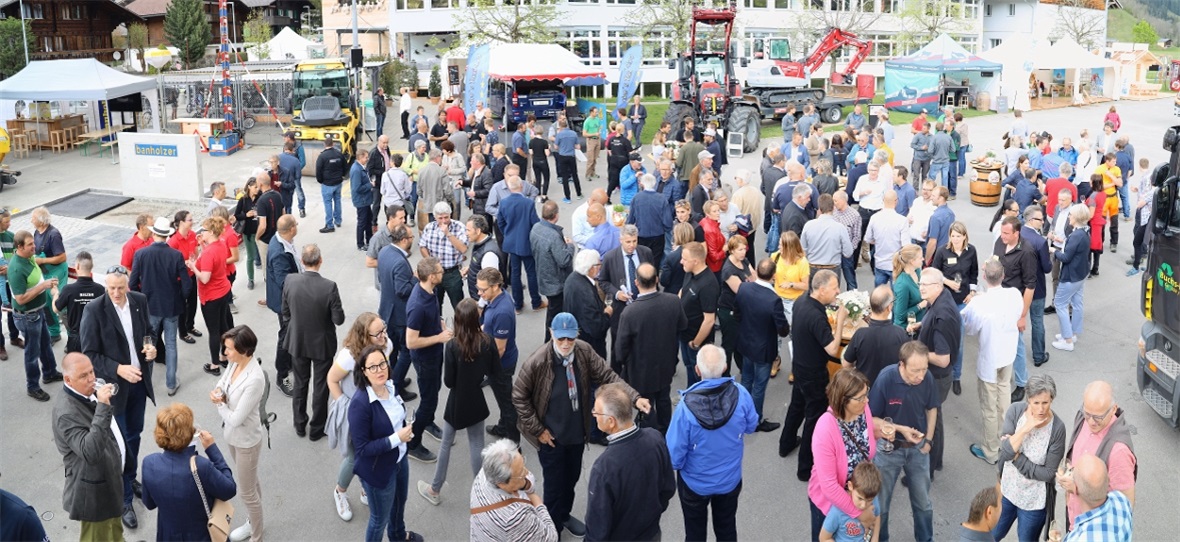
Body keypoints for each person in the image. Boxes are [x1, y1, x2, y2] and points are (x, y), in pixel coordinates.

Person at [512, 312, 649, 538]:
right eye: (560, 339)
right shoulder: (537, 361)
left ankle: (563, 515)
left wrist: (634, 398)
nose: (566, 344)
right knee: (554, 487)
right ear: (551, 334)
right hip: (551, 439)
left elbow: (608, 376)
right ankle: (551, 528)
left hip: (576, 434)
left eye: (570, 338)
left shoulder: (583, 351)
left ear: (576, 336)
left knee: (572, 479)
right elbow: (518, 396)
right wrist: (539, 430)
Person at [79, 265, 158, 529]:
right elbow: (89, 354)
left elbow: (149, 332)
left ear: (127, 285)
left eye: (120, 288)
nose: (115, 293)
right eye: (111, 288)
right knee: (119, 445)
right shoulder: (94, 310)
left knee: (134, 435)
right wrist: (117, 369)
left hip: (139, 384)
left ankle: (130, 475)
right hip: (115, 390)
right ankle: (124, 500)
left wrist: (151, 348)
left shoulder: (139, 301)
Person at [666, 344, 759, 540]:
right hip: (729, 480)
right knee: (726, 529)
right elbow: (751, 426)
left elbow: (674, 457)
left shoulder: (685, 408)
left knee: (694, 534)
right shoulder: (741, 394)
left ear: (697, 370)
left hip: (694, 484)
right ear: (725, 367)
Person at [418, 298, 500, 506]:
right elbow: (494, 371)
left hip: (456, 401)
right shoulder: (487, 341)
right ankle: (483, 493)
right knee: (477, 444)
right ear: (476, 317)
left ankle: (435, 489)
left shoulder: (453, 346)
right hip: (476, 399)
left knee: (446, 444)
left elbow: (448, 381)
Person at [349, 345, 424, 542]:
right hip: (378, 470)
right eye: (372, 367)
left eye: (382, 364)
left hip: (400, 459)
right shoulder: (360, 403)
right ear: (363, 371)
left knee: (400, 503)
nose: (379, 370)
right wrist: (397, 438)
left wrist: (404, 431)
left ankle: (398, 536)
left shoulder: (390, 386)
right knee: (378, 519)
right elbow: (363, 449)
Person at [586, 382, 676, 541]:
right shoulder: (655, 438)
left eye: (596, 412)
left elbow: (598, 525)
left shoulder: (604, 467)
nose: (593, 414)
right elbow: (668, 488)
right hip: (651, 533)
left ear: (611, 421)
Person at [780, 270, 848, 481]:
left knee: (796, 407)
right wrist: (841, 320)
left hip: (799, 366)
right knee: (814, 419)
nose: (838, 291)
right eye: (835, 287)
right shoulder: (817, 316)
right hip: (814, 374)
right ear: (821, 289)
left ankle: (786, 443)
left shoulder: (802, 302)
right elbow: (831, 348)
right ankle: (805, 468)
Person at [52, 353, 126, 540]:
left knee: (116, 532)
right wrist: (102, 405)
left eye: (91, 371)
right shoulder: (66, 413)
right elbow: (90, 452)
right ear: (68, 379)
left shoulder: (85, 391)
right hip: (94, 493)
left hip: (109, 481)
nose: (92, 378)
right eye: (83, 376)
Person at [870, 341, 938, 542]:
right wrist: (901, 429)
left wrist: (928, 441)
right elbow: (872, 418)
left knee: (923, 504)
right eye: (915, 371)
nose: (921, 376)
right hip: (888, 450)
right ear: (901, 364)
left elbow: (932, 408)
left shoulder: (927, 378)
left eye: (924, 369)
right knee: (881, 505)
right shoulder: (886, 378)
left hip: (917, 450)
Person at [327, 313, 392, 521]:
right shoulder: (349, 355)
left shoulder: (385, 345)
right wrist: (346, 406)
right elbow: (331, 379)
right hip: (356, 412)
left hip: (377, 409)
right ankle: (340, 491)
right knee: (355, 456)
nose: (384, 336)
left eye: (384, 329)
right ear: (364, 335)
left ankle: (364, 487)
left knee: (372, 452)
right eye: (378, 333)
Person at [990, 374, 1066, 541]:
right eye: (1036, 403)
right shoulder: (1016, 410)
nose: (1040, 409)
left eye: (1045, 403)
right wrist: (1026, 428)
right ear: (1028, 399)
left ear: (1051, 400)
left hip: (1033, 503)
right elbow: (1006, 452)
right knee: (993, 535)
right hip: (1008, 491)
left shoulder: (1057, 429)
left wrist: (1017, 458)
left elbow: (1047, 473)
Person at [281, 244, 346, 441]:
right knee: (321, 386)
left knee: (300, 383)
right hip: (322, 344)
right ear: (320, 261)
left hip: (298, 341)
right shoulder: (329, 286)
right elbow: (338, 319)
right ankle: (317, 428)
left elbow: (285, 312)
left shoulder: (290, 280)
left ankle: (299, 424)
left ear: (301, 260)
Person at [208, 325, 266, 541]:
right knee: (250, 483)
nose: (225, 353)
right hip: (233, 437)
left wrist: (218, 403)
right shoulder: (235, 363)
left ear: (244, 350)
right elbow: (222, 383)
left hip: (246, 441)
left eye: (229, 349)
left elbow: (236, 418)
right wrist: (219, 393)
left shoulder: (255, 379)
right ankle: (254, 521)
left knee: (247, 493)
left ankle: (256, 535)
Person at [961, 257, 1021, 465]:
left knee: (989, 406)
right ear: (1003, 276)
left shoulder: (979, 302)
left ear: (984, 277)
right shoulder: (1014, 295)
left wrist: (977, 300)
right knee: (1004, 396)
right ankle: (1006, 442)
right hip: (1007, 355)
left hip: (990, 359)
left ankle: (990, 450)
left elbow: (968, 329)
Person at [615, 262, 687, 434]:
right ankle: (665, 434)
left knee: (645, 406)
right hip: (666, 365)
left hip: (641, 371)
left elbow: (620, 350)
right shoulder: (673, 302)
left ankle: (649, 437)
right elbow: (683, 325)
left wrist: (625, 363)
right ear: (656, 279)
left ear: (636, 283)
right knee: (664, 400)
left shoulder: (630, 313)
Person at [808, 366, 879, 539]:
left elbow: (867, 441)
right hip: (830, 506)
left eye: (866, 394)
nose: (866, 401)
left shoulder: (863, 411)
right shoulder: (825, 428)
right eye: (861, 397)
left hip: (858, 496)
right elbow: (830, 486)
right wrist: (859, 513)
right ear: (843, 400)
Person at [1059, 380, 1137, 529]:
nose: (1091, 422)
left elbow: (1124, 506)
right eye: (1087, 414)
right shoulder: (1084, 416)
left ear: (1114, 409)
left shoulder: (1119, 451)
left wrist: (1075, 488)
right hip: (1074, 516)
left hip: (1092, 529)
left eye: (1098, 417)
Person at [128, 218, 190, 396]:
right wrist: (181, 299)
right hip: (171, 306)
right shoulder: (176, 255)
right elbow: (187, 285)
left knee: (149, 344)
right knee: (171, 344)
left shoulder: (141, 254)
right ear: (167, 235)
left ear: (154, 233)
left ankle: (147, 383)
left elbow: (133, 283)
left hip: (150, 307)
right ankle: (171, 384)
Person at [908, 268, 959, 476]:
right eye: (920, 284)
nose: (920, 288)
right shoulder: (940, 298)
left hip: (936, 378)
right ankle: (936, 461)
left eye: (924, 285)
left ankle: (926, 470)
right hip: (939, 377)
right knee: (935, 419)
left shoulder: (941, 316)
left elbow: (942, 358)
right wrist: (921, 325)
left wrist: (917, 351)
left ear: (938, 286)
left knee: (929, 422)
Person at [8, 229, 64, 401]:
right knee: (32, 354)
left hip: (37, 312)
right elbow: (20, 299)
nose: (35, 246)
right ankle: (32, 386)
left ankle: (49, 373)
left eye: (34, 243)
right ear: (19, 247)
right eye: (30, 244)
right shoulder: (16, 269)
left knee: (45, 344)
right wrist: (43, 286)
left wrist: (47, 282)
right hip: (27, 317)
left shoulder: (28, 257)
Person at [733, 258, 788, 431]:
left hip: (746, 343)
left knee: (746, 380)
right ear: (773, 275)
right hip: (763, 349)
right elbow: (783, 330)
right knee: (759, 386)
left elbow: (737, 314)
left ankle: (741, 415)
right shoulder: (773, 299)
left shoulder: (744, 288)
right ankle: (755, 420)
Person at [469, 439, 558, 541]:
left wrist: (525, 484)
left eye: (523, 464)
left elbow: (529, 479)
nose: (526, 473)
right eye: (520, 474)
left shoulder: (485, 472)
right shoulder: (514, 517)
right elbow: (551, 538)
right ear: (502, 484)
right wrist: (536, 500)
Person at [994, 215, 1038, 402]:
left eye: (1006, 233)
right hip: (998, 299)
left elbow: (1030, 286)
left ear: (1016, 233)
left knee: (1017, 345)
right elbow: (995, 260)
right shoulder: (1000, 241)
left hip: (1014, 304)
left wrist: (1022, 316)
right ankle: (1000, 371)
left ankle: (1021, 383)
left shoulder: (1026, 252)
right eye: (1002, 232)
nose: (1002, 236)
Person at [929, 221, 979, 388]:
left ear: (964, 236)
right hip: (944, 301)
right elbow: (934, 273)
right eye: (953, 236)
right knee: (940, 338)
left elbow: (974, 274)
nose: (955, 239)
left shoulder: (971, 251)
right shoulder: (942, 251)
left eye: (958, 236)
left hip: (962, 302)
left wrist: (972, 293)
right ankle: (941, 372)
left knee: (958, 341)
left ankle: (956, 376)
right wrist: (948, 282)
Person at [476, 269, 521, 443]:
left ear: (495, 286)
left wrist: (484, 368)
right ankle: (503, 427)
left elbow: (499, 349)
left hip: (501, 365)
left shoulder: (502, 312)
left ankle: (513, 443)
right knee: (504, 399)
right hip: (504, 359)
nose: (480, 293)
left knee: (507, 404)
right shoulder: (497, 298)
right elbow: (489, 326)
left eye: (483, 289)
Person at [189, 218, 234, 376]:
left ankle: (214, 364)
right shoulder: (220, 243)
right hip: (223, 290)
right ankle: (224, 355)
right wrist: (203, 245)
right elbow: (214, 260)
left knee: (214, 331)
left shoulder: (209, 253)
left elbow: (205, 278)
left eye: (204, 230)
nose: (201, 232)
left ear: (212, 232)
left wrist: (193, 266)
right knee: (223, 326)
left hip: (211, 296)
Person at [843, 285, 909, 386]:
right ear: (889, 307)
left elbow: (846, 364)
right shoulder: (900, 333)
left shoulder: (860, 334)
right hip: (891, 390)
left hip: (865, 390)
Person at [499, 175, 545, 312]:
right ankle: (536, 302)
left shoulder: (504, 202)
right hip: (526, 242)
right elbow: (535, 223)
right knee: (531, 273)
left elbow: (500, 222)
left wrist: (508, 234)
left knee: (515, 273)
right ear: (521, 186)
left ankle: (518, 304)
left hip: (511, 243)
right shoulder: (528, 203)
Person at [265, 215, 301, 396]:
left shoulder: (280, 239)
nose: (297, 225)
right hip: (285, 303)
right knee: (286, 337)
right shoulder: (279, 252)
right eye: (296, 223)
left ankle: (289, 363)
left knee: (290, 334)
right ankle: (282, 375)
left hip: (285, 300)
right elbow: (283, 281)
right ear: (291, 229)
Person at [1061, 455, 1134, 541]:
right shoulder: (1121, 500)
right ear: (1108, 479)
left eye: (1072, 470)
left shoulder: (1078, 538)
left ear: (1075, 488)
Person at [530, 201, 575, 336]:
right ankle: (550, 343)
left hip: (544, 278)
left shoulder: (536, 228)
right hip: (556, 283)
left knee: (554, 312)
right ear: (556, 215)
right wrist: (570, 246)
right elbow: (564, 260)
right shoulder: (554, 236)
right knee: (554, 316)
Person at [678, 242, 720, 388]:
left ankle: (695, 400)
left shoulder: (708, 284)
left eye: (684, 258)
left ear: (695, 261)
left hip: (697, 342)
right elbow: (682, 291)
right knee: (689, 367)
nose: (681, 261)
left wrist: (695, 343)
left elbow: (709, 320)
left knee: (699, 376)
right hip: (684, 335)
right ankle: (690, 394)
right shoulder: (689, 272)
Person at [1052, 205, 1093, 351]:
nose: (1069, 217)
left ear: (1076, 218)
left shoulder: (1076, 235)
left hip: (1071, 276)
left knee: (1060, 304)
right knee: (1077, 303)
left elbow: (1066, 257)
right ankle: (1073, 333)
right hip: (1081, 274)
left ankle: (1067, 340)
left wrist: (1054, 251)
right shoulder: (1084, 232)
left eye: (1070, 215)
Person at [562, 249, 611, 359]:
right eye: (599, 264)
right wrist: (607, 314)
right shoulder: (585, 292)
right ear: (592, 268)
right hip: (590, 348)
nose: (600, 267)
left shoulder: (572, 278)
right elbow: (596, 328)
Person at [419, 202, 468, 310]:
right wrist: (431, 263)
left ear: (450, 215)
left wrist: (448, 234)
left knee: (459, 306)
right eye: (440, 218)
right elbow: (422, 246)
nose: (444, 221)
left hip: (452, 273)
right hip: (435, 272)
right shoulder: (429, 227)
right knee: (435, 305)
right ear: (435, 217)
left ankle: (460, 326)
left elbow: (463, 249)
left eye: (446, 217)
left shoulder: (459, 227)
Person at [31, 207, 69, 343]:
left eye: (33, 218)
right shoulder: (37, 232)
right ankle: (54, 332)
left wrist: (42, 260)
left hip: (56, 271)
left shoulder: (53, 234)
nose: (31, 221)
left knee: (59, 302)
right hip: (45, 272)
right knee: (46, 303)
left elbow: (62, 257)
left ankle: (73, 336)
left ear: (41, 221)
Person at [819, 462, 882, 542]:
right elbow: (824, 538)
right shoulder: (837, 511)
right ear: (850, 486)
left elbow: (877, 516)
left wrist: (875, 538)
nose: (863, 505)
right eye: (860, 498)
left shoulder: (873, 499)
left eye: (869, 500)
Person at [802, 194, 854, 288]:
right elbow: (848, 252)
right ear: (833, 208)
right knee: (831, 298)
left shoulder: (808, 225)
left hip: (813, 267)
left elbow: (803, 250)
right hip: (832, 268)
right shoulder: (840, 228)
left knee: (813, 297)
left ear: (819, 208)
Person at [865, 190, 911, 287]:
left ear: (883, 200)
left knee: (879, 295)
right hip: (896, 264)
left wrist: (877, 241)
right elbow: (906, 246)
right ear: (896, 201)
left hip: (879, 263)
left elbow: (868, 239)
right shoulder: (902, 220)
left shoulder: (874, 218)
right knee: (897, 296)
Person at [891, 244, 925, 328]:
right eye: (920, 257)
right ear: (912, 261)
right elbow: (900, 316)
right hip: (907, 331)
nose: (923, 259)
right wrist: (920, 306)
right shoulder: (902, 284)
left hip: (919, 324)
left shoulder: (917, 271)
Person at [351, 149, 375, 250]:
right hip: (362, 201)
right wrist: (369, 185)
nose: (367, 159)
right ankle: (360, 244)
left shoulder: (361, 168)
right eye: (366, 157)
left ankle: (369, 240)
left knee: (368, 220)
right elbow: (357, 188)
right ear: (360, 158)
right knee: (362, 222)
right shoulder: (356, 170)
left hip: (365, 200)